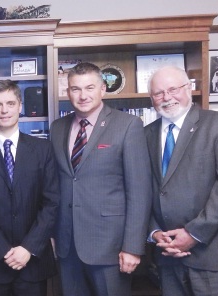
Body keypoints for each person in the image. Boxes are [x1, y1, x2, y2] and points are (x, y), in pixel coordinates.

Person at [50, 62, 151, 296]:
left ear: (102, 89)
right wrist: (53, 235)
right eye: (75, 89)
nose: (83, 95)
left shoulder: (128, 125)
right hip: (67, 245)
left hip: (110, 247)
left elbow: (139, 191)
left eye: (89, 87)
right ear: (68, 92)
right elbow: (55, 185)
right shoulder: (57, 128)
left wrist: (133, 247)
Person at [145, 65, 218, 295]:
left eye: (173, 89)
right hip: (167, 254)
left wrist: (193, 234)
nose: (166, 98)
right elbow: (142, 189)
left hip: (213, 255)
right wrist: (155, 232)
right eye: (158, 93)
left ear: (188, 88)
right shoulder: (144, 134)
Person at [0, 79, 60, 296]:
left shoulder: (43, 149)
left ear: (20, 106)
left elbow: (51, 203)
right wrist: (4, 251)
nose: (4, 110)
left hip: (32, 262)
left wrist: (28, 248)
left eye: (10, 103)